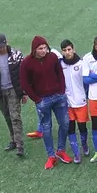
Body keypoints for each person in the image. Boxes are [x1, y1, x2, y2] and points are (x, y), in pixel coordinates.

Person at [20, 35, 73, 169]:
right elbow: (24, 83)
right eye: (40, 48)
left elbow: (60, 74)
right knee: (46, 128)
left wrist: (61, 91)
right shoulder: (26, 63)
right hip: (42, 100)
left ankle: (61, 150)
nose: (44, 51)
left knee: (65, 123)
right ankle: (51, 156)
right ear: (34, 50)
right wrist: (36, 99)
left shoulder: (52, 57)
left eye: (45, 48)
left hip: (58, 97)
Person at [0, 33, 27, 156]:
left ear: (7, 43)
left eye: (3, 46)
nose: (1, 49)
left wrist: (24, 93)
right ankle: (13, 139)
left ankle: (19, 145)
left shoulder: (16, 55)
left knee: (15, 116)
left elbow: (23, 74)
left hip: (13, 90)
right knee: (7, 116)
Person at [60, 39, 89, 163]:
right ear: (62, 52)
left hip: (81, 101)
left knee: (82, 127)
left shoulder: (81, 64)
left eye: (69, 49)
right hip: (67, 103)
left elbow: (86, 82)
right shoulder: (60, 64)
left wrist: (85, 95)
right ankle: (76, 153)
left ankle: (84, 145)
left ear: (73, 49)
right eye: (64, 50)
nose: (67, 52)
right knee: (70, 128)